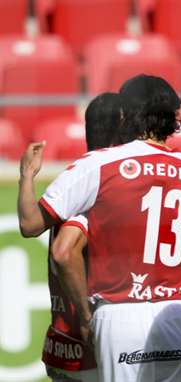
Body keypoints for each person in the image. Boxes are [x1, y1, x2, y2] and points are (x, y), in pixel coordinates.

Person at [19, 75, 181, 382]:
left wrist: (26, 175)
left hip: (121, 313)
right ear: (175, 117)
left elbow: (31, 225)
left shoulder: (99, 164)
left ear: (127, 114)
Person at [19, 92, 124, 382]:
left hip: (61, 342)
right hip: (90, 348)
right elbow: (65, 251)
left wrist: (27, 175)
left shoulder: (72, 179)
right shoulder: (102, 182)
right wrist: (89, 318)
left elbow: (30, 225)